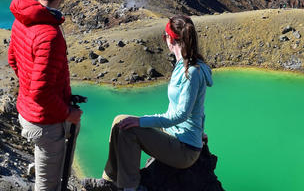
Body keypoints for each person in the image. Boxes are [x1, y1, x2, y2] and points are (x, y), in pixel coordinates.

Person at [83, 15, 213, 191]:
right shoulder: (183, 64)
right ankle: (109, 180)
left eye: (164, 36)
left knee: (130, 130)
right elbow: (198, 108)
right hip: (176, 135)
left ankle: (131, 187)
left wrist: (141, 121)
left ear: (170, 38)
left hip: (185, 150)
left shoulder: (192, 72)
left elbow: (180, 114)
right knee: (119, 121)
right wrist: (200, 130)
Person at [8, 0, 82, 191]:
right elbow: (41, 92)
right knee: (47, 186)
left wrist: (31, 86)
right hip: (45, 123)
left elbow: (13, 59)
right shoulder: (49, 35)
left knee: (52, 175)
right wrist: (68, 113)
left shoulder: (22, 19)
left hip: (28, 111)